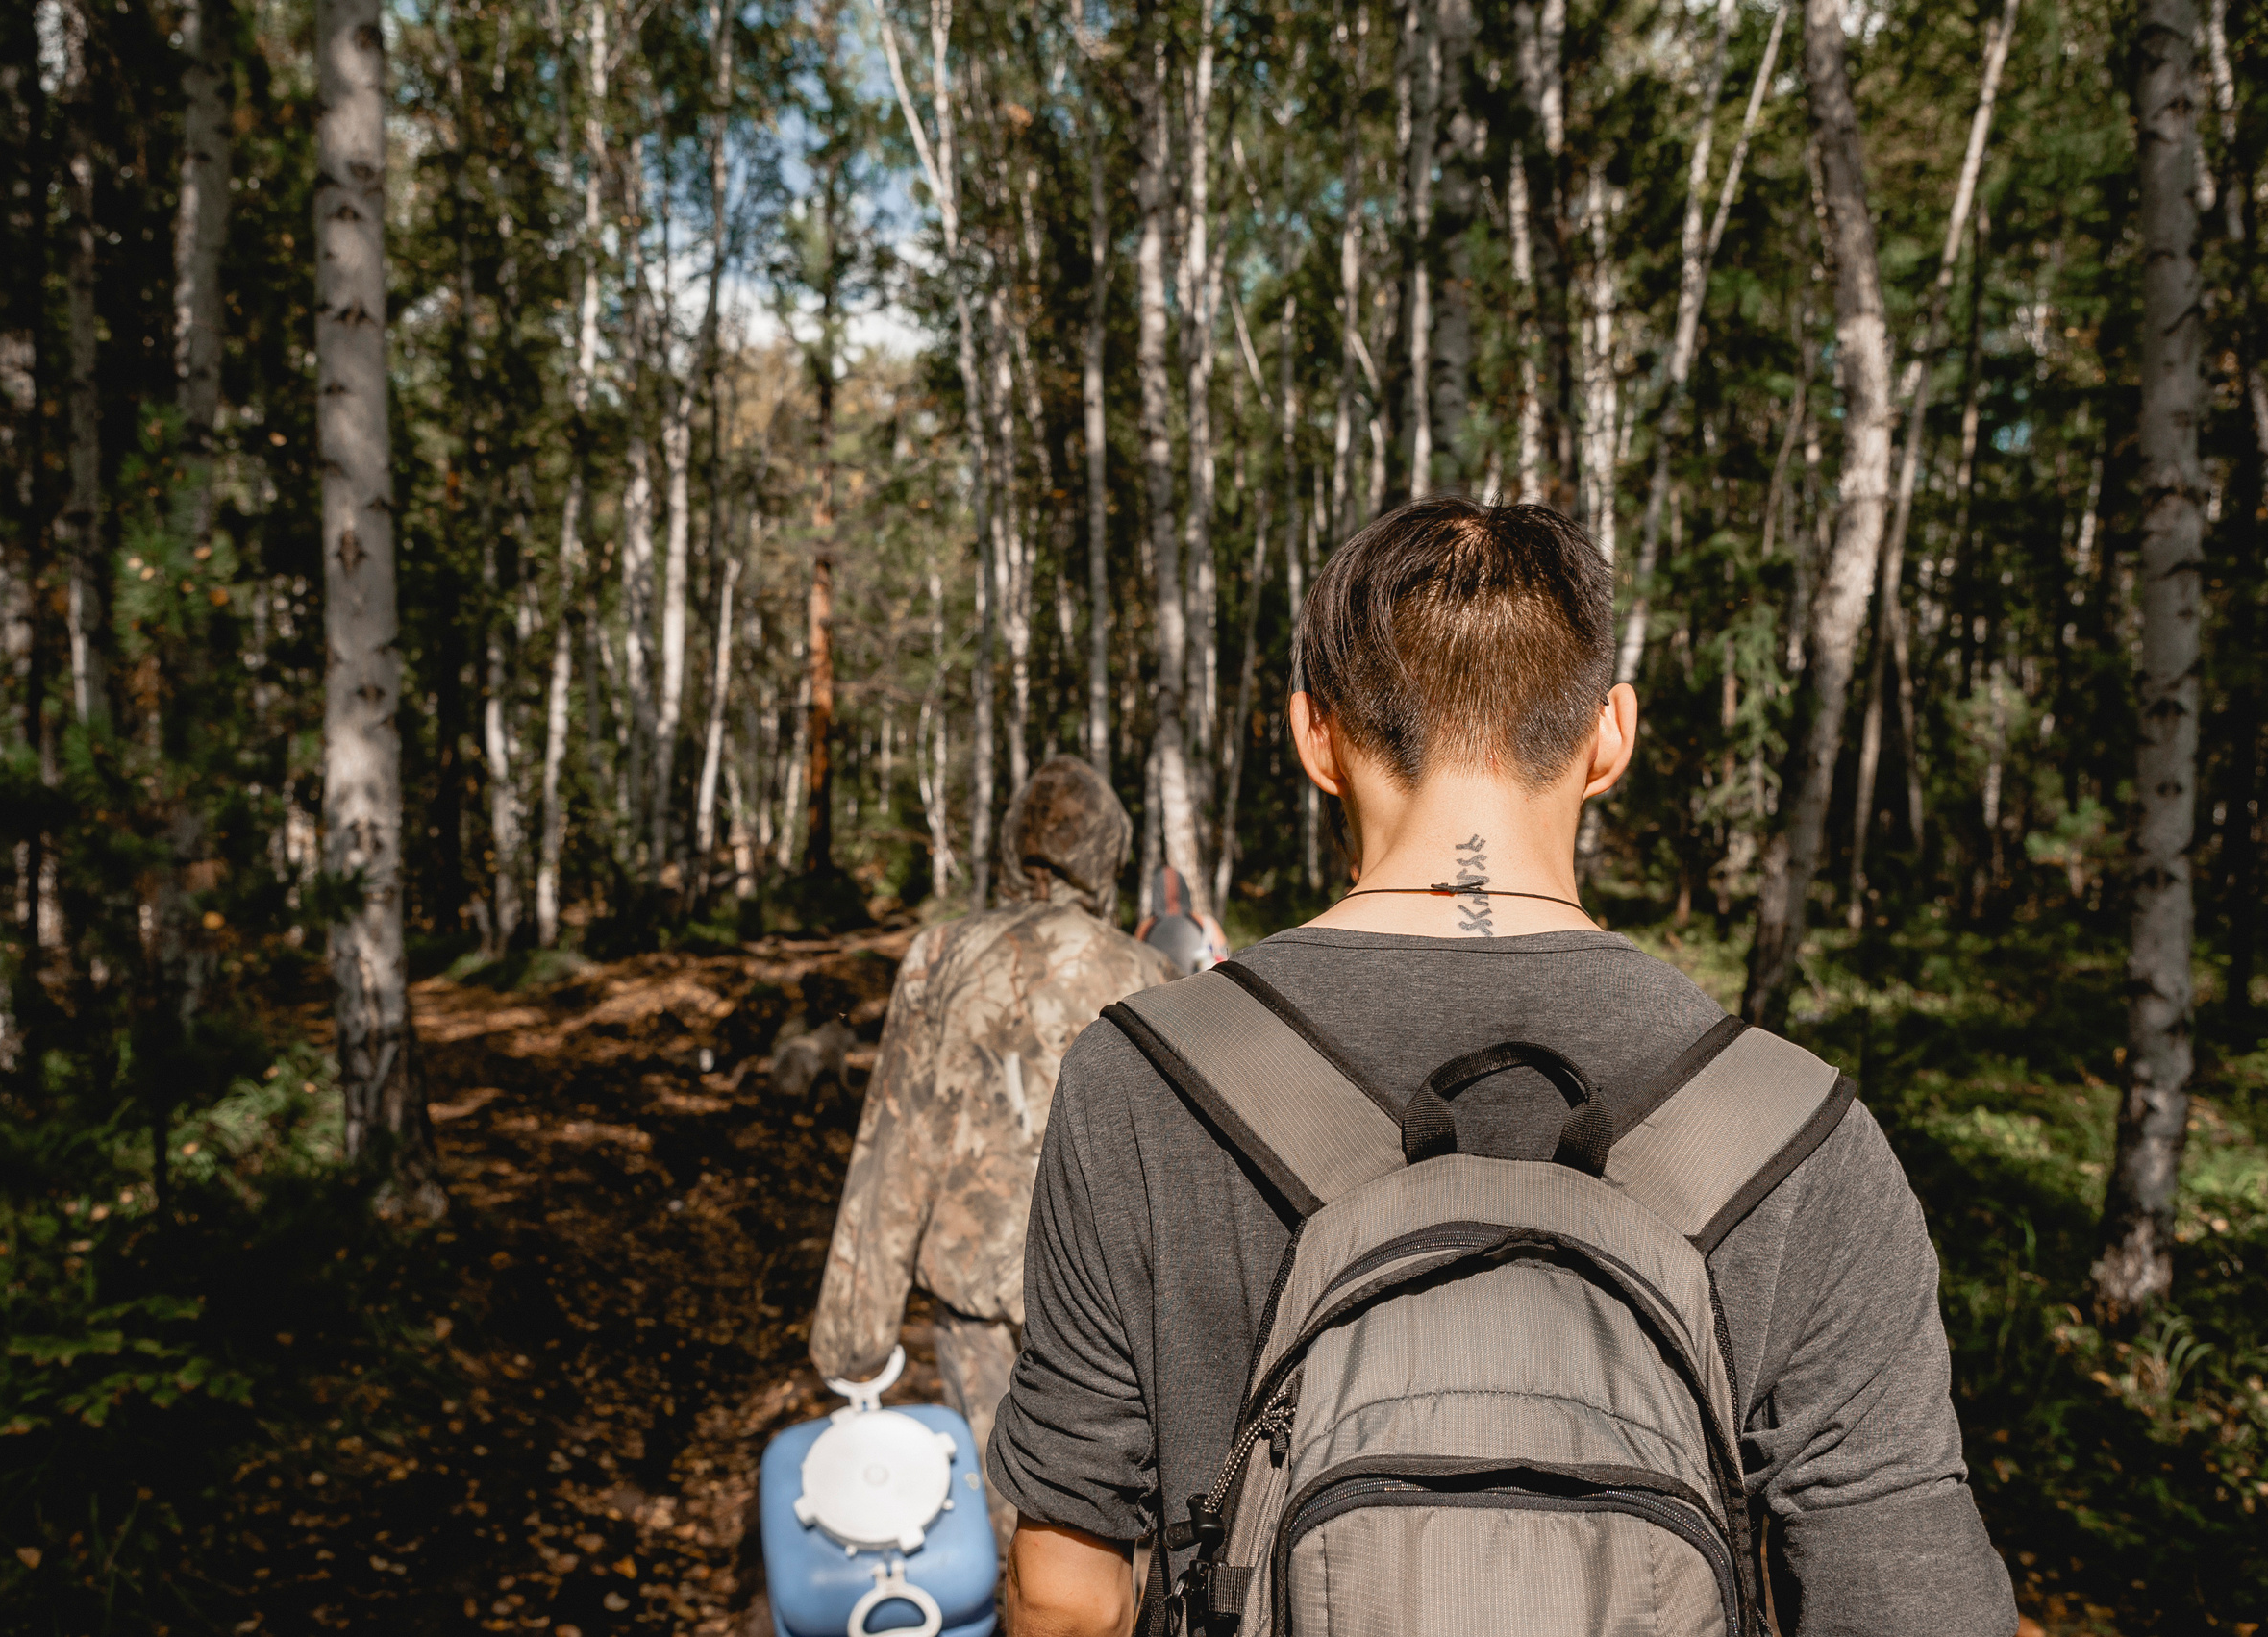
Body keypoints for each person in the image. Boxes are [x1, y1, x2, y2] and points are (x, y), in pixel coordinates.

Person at [986, 498, 2017, 1636]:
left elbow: (1067, 1596)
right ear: (1612, 735)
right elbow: (1903, 1597)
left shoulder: (1140, 1080)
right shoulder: (1797, 1132)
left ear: (1312, 735)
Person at [810, 755, 1180, 1545]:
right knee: (1109, 1531)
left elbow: (893, 1145)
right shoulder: (1153, 974)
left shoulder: (942, 956)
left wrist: (853, 1336)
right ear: (1107, 854)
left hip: (973, 1290)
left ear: (1014, 845)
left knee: (1010, 1524)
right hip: (1106, 1302)